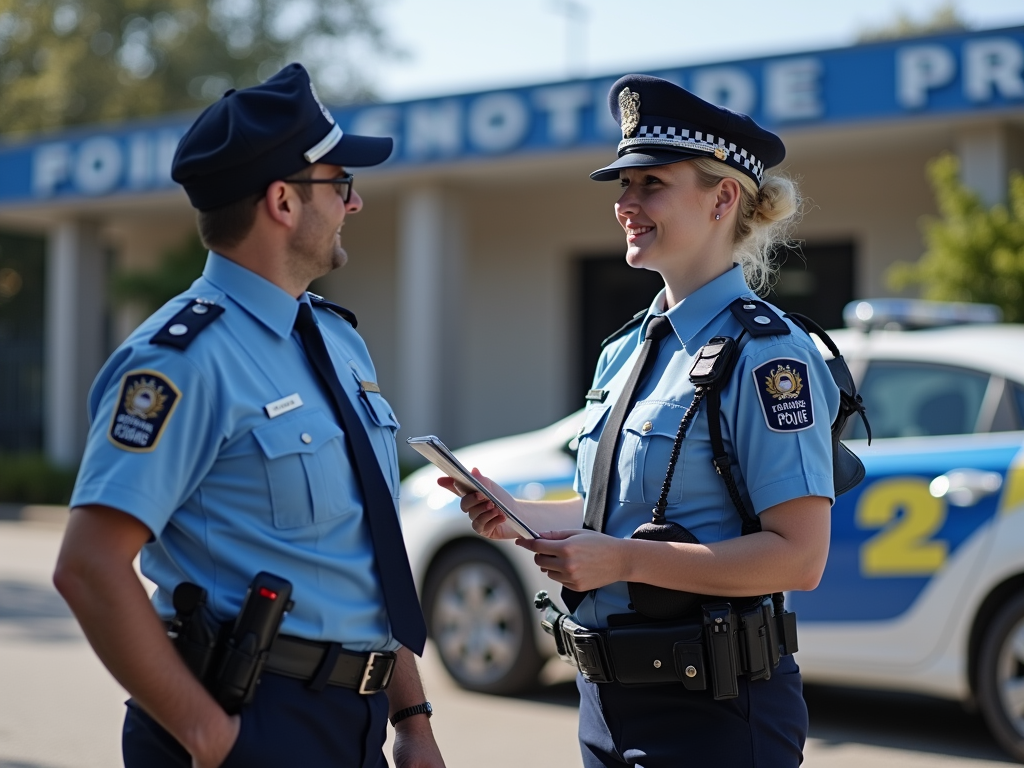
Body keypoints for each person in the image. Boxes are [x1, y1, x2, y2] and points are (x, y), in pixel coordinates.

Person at [53, 63, 445, 768]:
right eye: (340, 183)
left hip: (354, 722)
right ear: (283, 203)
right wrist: (212, 740)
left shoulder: (335, 338)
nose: (354, 204)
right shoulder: (182, 360)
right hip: (250, 719)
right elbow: (87, 567)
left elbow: (366, 552)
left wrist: (411, 720)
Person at [442, 74, 840, 767]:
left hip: (716, 714)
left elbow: (800, 557)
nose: (625, 204)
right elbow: (615, 515)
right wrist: (520, 516)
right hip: (605, 704)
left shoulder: (768, 354)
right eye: (621, 187)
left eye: (650, 183)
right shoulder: (627, 349)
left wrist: (622, 560)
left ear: (722, 198)